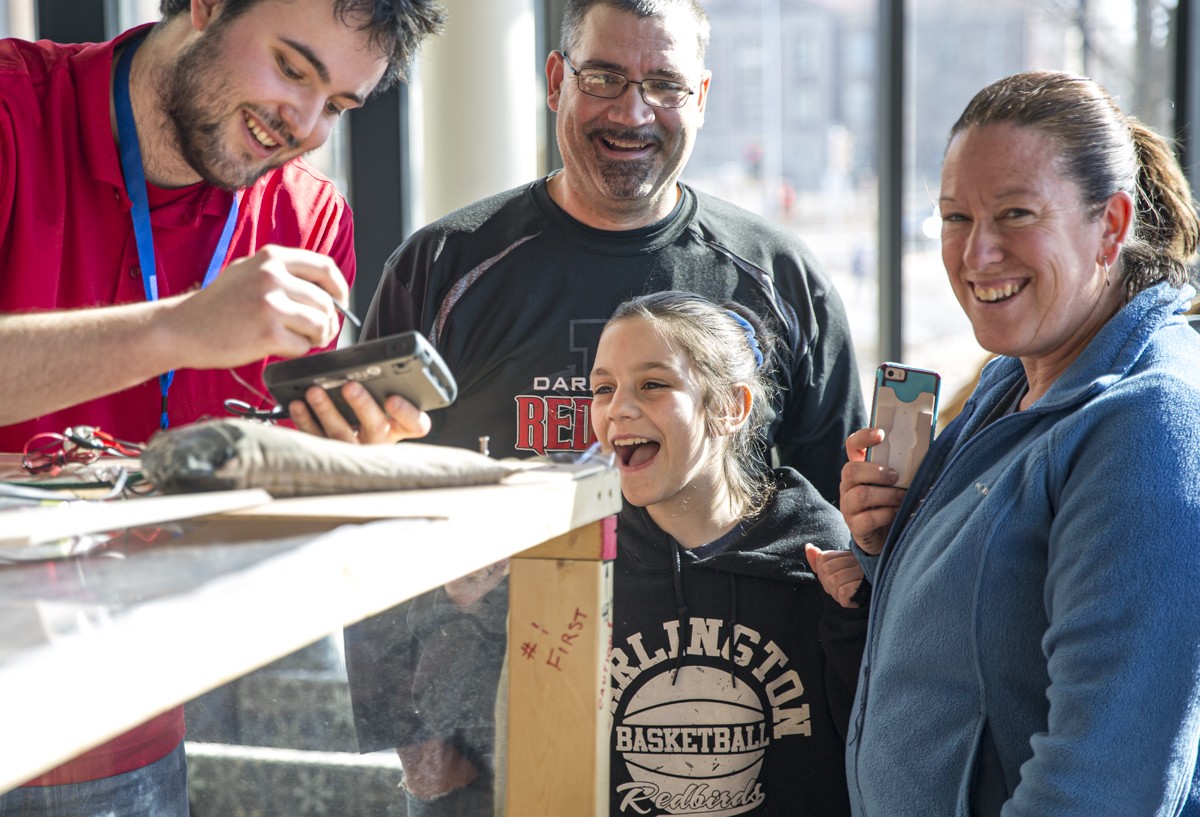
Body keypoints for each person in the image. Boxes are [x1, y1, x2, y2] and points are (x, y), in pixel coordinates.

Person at [333, 0, 867, 813]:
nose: (633, 111)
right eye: (605, 77)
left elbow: (829, 518)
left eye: (664, 84)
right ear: (556, 81)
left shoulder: (780, 279)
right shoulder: (444, 266)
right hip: (485, 750)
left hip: (729, 745)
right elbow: (370, 499)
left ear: (702, 96)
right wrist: (413, 732)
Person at [0, 0, 445, 814]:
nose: (304, 124)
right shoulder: (11, 114)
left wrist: (341, 456)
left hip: (124, 737)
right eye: (293, 68)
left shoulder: (310, 221)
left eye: (338, 105)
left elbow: (259, 500)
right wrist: (177, 329)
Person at [839, 70, 1200, 816]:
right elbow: (997, 628)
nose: (977, 254)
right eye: (954, 218)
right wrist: (898, 540)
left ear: (1110, 225)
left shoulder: (1148, 422)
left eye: (1016, 214)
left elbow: (1104, 783)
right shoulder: (1015, 378)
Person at [593, 291, 867, 816]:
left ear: (730, 408)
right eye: (603, 388)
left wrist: (856, 614)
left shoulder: (823, 556)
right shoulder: (582, 562)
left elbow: (877, 734)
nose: (618, 409)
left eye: (653, 384)